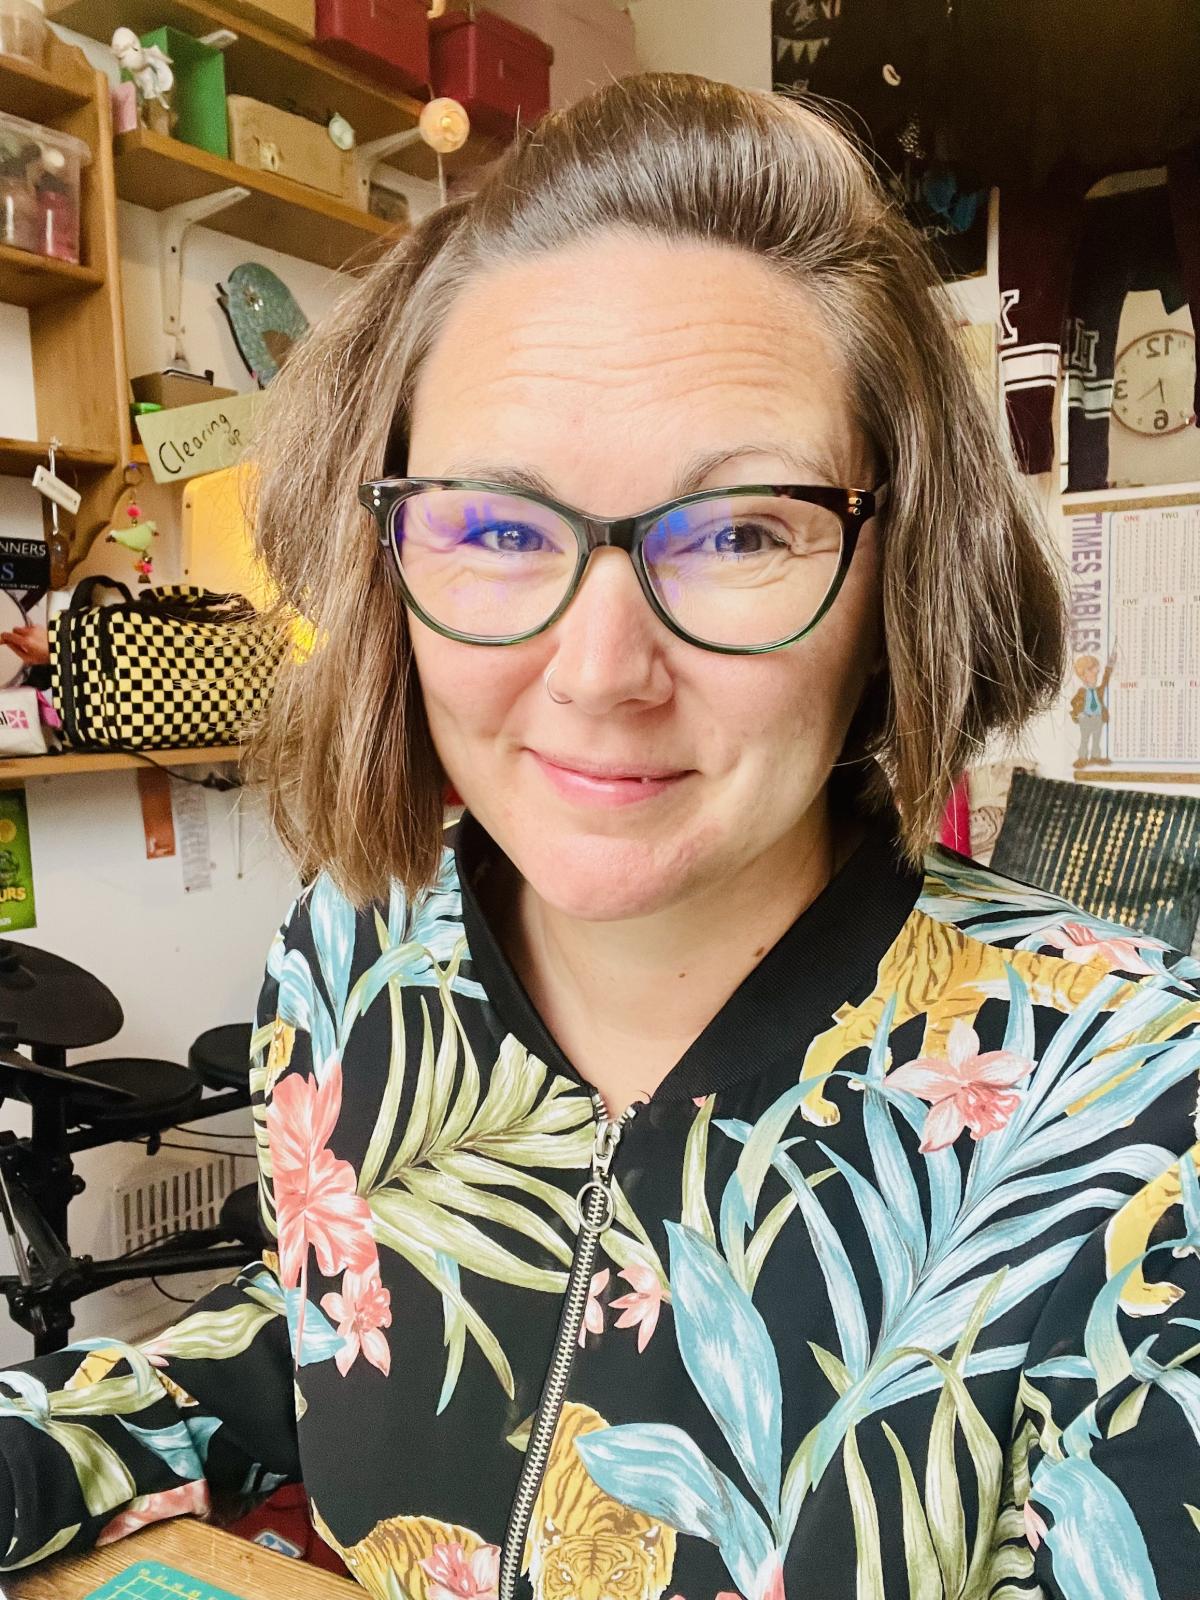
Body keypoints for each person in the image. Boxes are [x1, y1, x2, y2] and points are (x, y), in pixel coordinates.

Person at [0, 72, 1198, 1600]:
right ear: (387, 564)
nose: (600, 673)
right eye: (500, 529)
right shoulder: (357, 949)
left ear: (908, 569)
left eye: (744, 529)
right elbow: (315, 1333)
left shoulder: (1148, 1124)